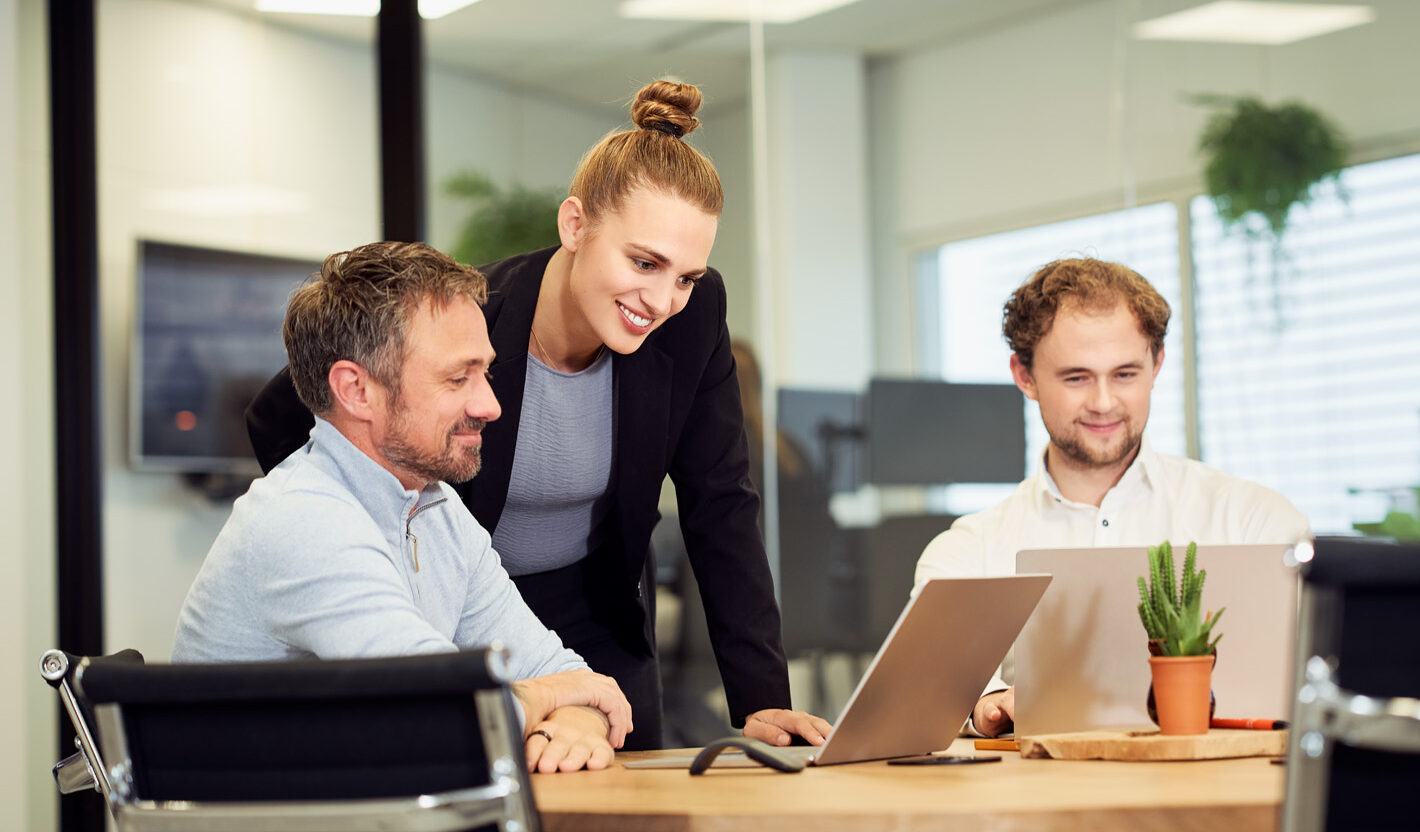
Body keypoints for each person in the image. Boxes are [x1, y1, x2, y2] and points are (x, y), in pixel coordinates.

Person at [245, 81, 831, 749]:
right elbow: (277, 415)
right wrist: (358, 535)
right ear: (575, 224)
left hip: (593, 608)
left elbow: (720, 501)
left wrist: (762, 697)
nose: (664, 299)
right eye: (644, 262)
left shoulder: (692, 318)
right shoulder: (469, 316)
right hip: (466, 607)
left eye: (686, 276)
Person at [173, 242, 632, 773]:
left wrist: (575, 714)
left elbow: (559, 670)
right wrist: (556, 697)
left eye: (485, 372)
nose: (490, 405)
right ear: (356, 390)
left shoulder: (433, 505)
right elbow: (444, 715)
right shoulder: (303, 520)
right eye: (457, 378)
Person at [913, 257, 1310, 738]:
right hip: (1039, 803)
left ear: (1157, 363)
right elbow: (932, 686)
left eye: (1124, 374)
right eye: (1076, 377)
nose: (1103, 402)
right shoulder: (967, 551)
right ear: (1025, 376)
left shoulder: (1254, 522)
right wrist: (988, 701)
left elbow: (1318, 676)